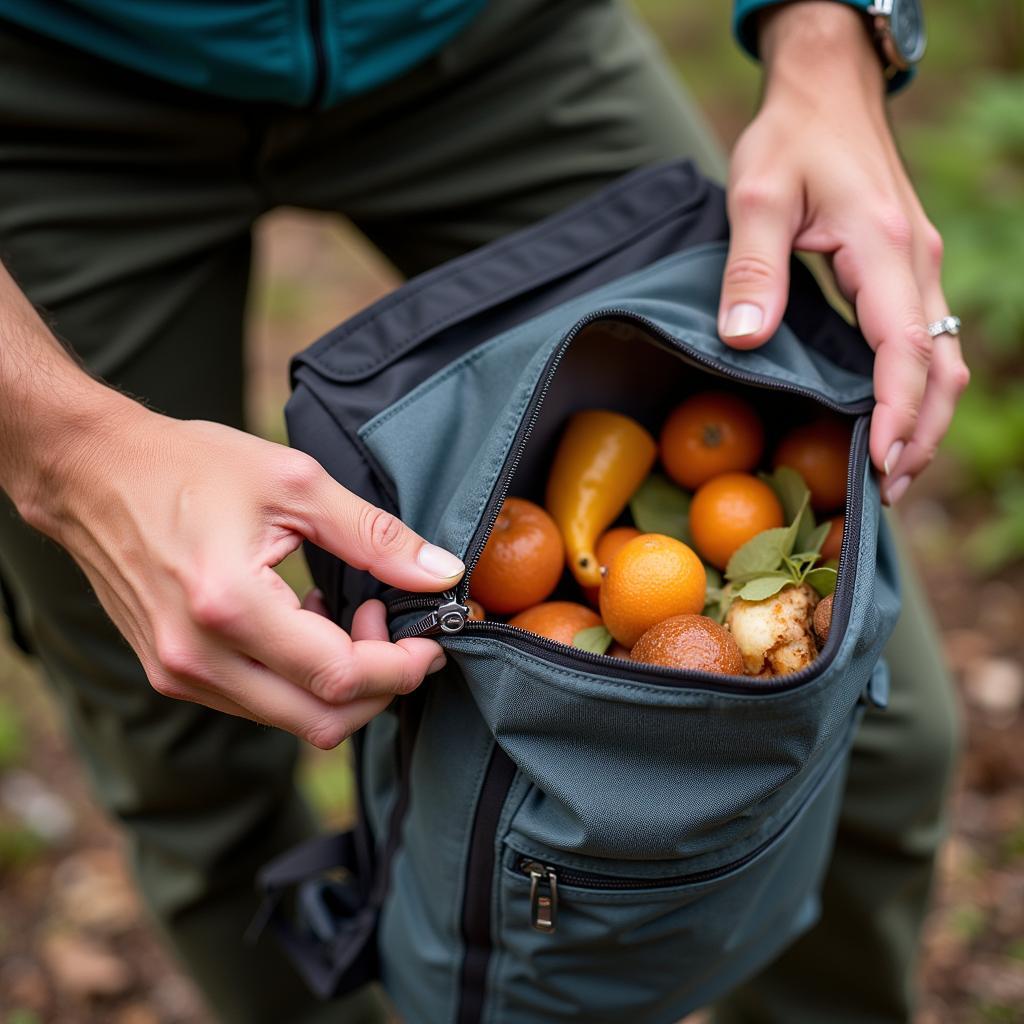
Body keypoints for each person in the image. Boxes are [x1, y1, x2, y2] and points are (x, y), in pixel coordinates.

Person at [0, 1, 962, 1021]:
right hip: (48, 94)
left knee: (880, 729)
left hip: (490, 31)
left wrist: (831, 40)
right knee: (192, 752)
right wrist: (61, 448)